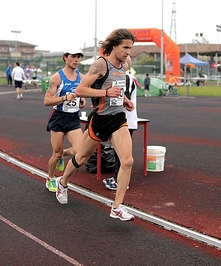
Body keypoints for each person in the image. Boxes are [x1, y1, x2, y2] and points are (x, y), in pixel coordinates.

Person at [55, 28, 136, 221]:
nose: (128, 52)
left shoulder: (124, 66)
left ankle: (117, 207)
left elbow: (116, 88)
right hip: (99, 119)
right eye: (125, 47)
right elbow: (81, 89)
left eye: (130, 48)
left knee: (128, 161)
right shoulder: (100, 65)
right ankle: (62, 182)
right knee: (82, 157)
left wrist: (124, 99)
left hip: (117, 118)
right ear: (114, 46)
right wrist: (105, 94)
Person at [43, 49, 86, 192]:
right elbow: (47, 100)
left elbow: (82, 93)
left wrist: (82, 100)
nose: (76, 60)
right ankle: (50, 178)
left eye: (78, 57)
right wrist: (64, 98)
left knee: (79, 151)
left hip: (73, 117)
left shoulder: (82, 77)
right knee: (55, 153)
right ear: (65, 57)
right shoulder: (57, 78)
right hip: (59, 117)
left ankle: (63, 155)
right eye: (73, 56)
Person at [103, 56, 138, 190]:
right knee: (118, 152)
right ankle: (119, 178)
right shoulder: (121, 77)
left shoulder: (127, 78)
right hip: (119, 119)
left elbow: (124, 97)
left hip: (125, 121)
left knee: (122, 154)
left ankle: (121, 181)